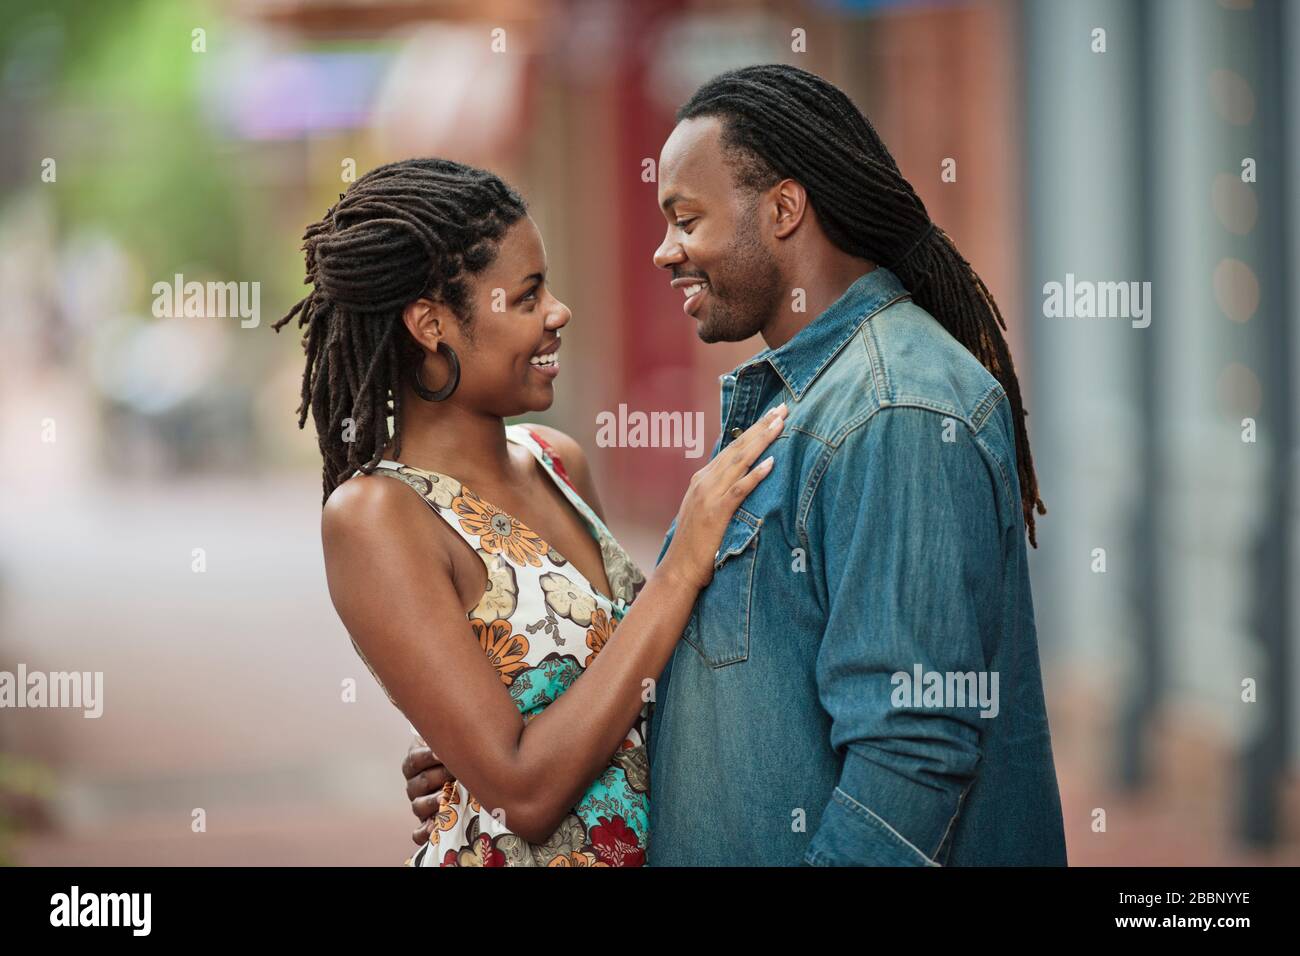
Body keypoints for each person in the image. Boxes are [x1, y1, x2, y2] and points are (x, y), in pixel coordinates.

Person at [407, 65, 1068, 866]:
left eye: (687, 219)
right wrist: (505, 741)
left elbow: (909, 760)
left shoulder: (895, 411)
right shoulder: (802, 402)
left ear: (784, 210)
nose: (663, 252)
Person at [275, 157, 786, 867]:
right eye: (526, 297)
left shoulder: (557, 461)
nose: (558, 313)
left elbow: (614, 691)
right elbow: (524, 792)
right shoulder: (376, 516)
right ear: (431, 324)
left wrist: (459, 750)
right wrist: (679, 569)